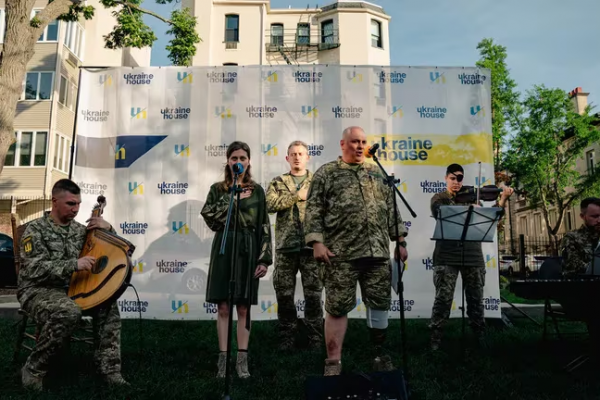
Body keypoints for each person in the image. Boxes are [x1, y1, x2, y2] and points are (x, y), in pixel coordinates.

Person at [304, 126, 408, 376]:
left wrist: (401, 240)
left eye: (363, 141)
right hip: (341, 255)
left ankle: (379, 355)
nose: (360, 146)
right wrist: (316, 242)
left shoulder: (377, 172)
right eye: (354, 142)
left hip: (377, 253)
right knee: (337, 308)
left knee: (380, 304)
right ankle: (333, 362)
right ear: (342, 144)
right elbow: (313, 210)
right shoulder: (327, 173)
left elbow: (391, 208)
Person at [17, 179, 128, 391]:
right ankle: (33, 368)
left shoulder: (81, 231)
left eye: (78, 204)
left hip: (74, 289)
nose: (76, 209)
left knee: (109, 306)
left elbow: (116, 249)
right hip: (38, 290)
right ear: (55, 201)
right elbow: (33, 269)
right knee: (68, 312)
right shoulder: (36, 230)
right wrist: (73, 264)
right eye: (70, 204)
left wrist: (108, 227)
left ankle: (109, 369)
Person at [200, 141, 273, 379]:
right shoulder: (217, 188)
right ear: (228, 161)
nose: (238, 162)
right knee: (223, 305)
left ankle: (242, 360)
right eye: (234, 158)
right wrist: (233, 199)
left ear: (249, 161)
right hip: (224, 246)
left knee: (243, 306)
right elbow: (210, 217)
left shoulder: (258, 190)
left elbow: (264, 225)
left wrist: (263, 259)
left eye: (242, 158)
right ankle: (222, 359)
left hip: (247, 249)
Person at [428, 164, 513, 350]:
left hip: (473, 255)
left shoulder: (474, 199)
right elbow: (439, 212)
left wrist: (503, 199)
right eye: (453, 178)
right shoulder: (439, 198)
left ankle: (479, 335)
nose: (457, 182)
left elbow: (494, 220)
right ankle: (435, 338)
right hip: (447, 256)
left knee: (476, 299)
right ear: (446, 178)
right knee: (443, 300)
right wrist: (469, 211)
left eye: (460, 178)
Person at [266, 140, 323, 350]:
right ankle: (287, 336)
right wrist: (296, 196)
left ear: (308, 157)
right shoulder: (278, 182)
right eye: (293, 154)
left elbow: (327, 208)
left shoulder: (318, 181)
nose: (297, 157)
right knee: (284, 295)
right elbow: (269, 205)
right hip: (286, 249)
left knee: (314, 296)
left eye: (301, 153)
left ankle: (316, 338)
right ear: (287, 158)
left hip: (311, 248)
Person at [559, 197, 600, 277]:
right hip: (583, 286)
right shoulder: (572, 238)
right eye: (595, 216)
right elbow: (573, 268)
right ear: (582, 216)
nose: (599, 220)